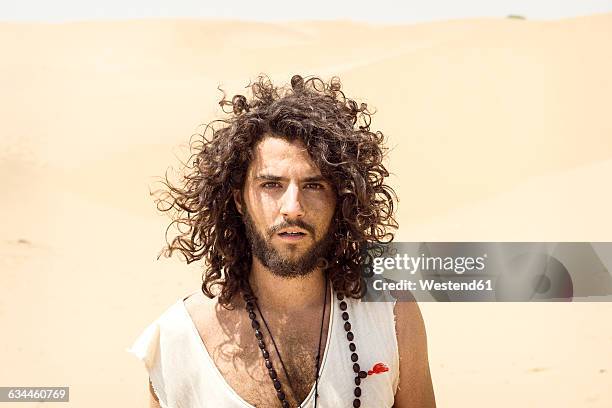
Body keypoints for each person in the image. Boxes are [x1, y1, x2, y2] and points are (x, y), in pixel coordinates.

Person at [128, 74, 436, 407]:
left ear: (341, 201)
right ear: (238, 200)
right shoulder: (177, 341)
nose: (293, 208)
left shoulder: (390, 314)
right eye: (271, 185)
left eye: (314, 185)